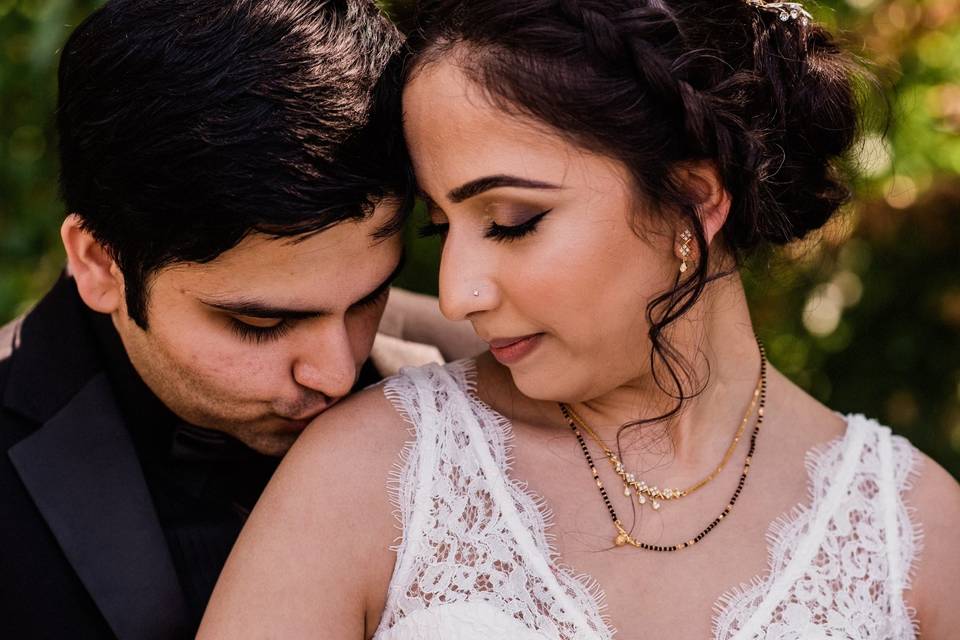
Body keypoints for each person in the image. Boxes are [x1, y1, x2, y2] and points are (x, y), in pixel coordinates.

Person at [200, 0, 960, 637]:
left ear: (695, 203)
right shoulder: (372, 474)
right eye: (442, 228)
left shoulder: (916, 538)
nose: (460, 294)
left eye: (511, 221)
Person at [0, 1, 481, 638]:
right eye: (260, 324)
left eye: (370, 296)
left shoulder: (484, 372)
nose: (336, 375)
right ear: (99, 264)